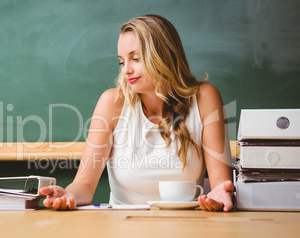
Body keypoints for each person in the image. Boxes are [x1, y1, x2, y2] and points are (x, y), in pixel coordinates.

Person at [40, 14, 234, 212]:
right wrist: (68, 194)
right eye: (121, 62)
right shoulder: (112, 103)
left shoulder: (205, 98)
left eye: (135, 59)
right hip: (124, 229)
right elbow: (85, 184)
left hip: (185, 227)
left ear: (164, 56)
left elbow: (221, 184)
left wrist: (220, 193)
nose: (126, 71)